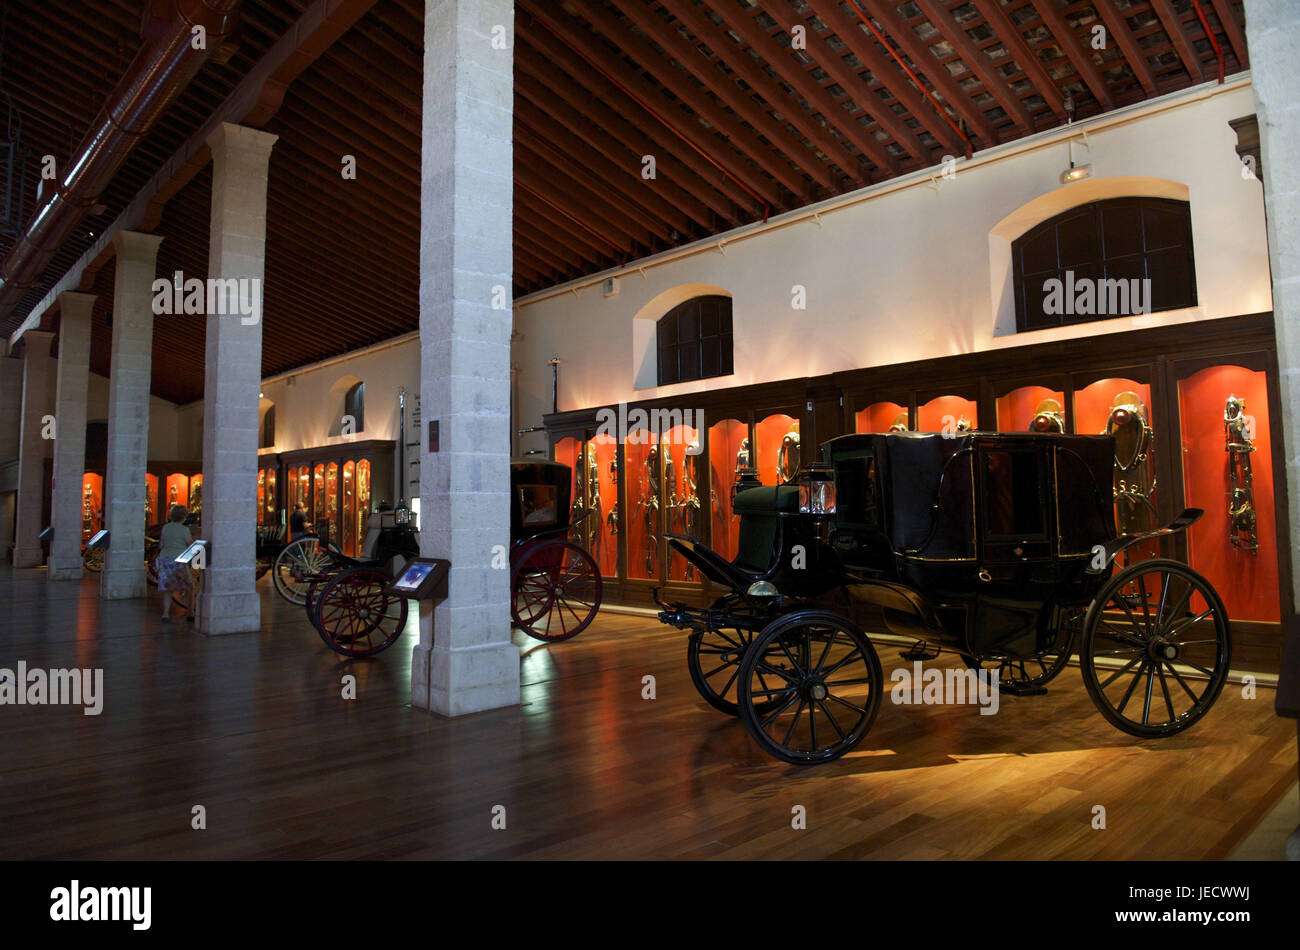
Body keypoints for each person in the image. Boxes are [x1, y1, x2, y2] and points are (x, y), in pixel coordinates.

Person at [156, 504, 195, 623]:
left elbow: (161, 545)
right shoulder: (184, 530)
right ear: (184, 517)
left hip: (165, 559)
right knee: (189, 586)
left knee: (168, 588)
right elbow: (190, 544)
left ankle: (166, 614)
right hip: (179, 560)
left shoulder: (166, 528)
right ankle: (190, 612)